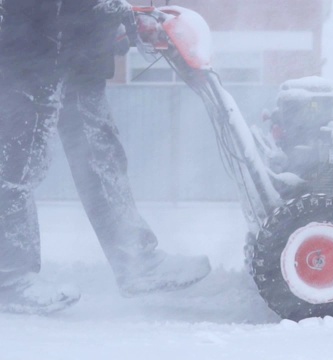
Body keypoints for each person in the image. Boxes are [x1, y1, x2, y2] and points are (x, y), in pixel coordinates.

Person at [0, 0, 211, 314]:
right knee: (18, 162)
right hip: (30, 54)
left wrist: (108, 27)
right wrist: (101, 8)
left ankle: (137, 263)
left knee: (101, 155)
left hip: (76, 57)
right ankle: (11, 278)